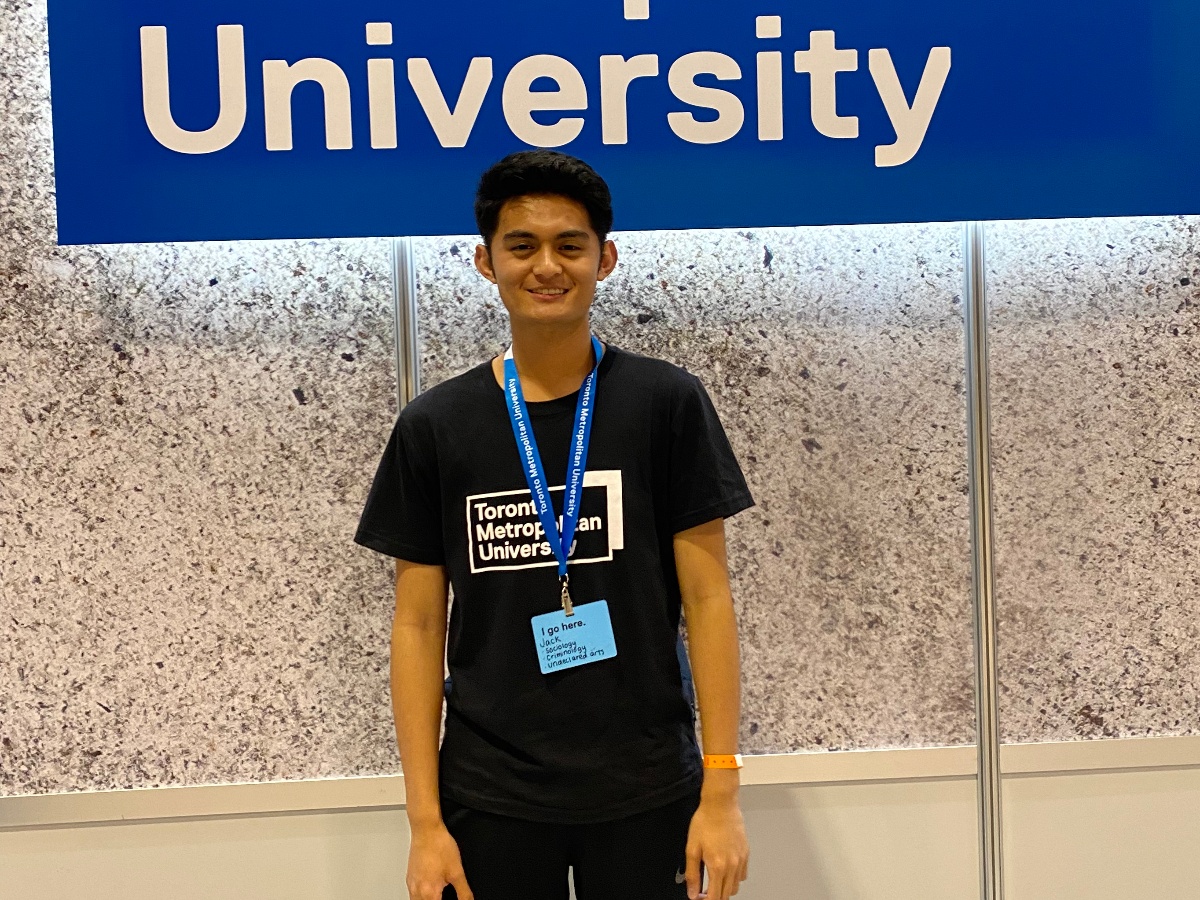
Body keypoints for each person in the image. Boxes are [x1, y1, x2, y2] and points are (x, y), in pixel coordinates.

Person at [356, 149, 753, 900]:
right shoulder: (436, 425)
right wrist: (424, 824)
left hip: (647, 786)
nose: (547, 266)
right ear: (484, 261)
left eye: (569, 245)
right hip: (490, 791)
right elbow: (416, 627)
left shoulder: (666, 404)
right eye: (522, 246)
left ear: (605, 259)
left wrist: (722, 791)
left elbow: (708, 601)